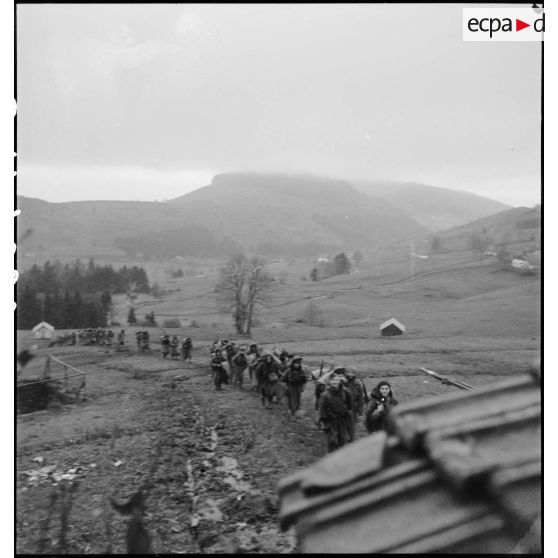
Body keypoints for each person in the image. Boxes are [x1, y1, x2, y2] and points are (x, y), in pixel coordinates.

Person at [318, 376, 353, 453]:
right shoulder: (325, 395)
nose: (335, 382)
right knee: (331, 441)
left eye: (336, 380)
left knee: (343, 440)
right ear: (329, 381)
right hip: (330, 421)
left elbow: (349, 405)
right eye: (332, 380)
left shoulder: (345, 392)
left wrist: (347, 413)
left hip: (342, 420)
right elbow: (322, 409)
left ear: (339, 381)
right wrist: (324, 420)